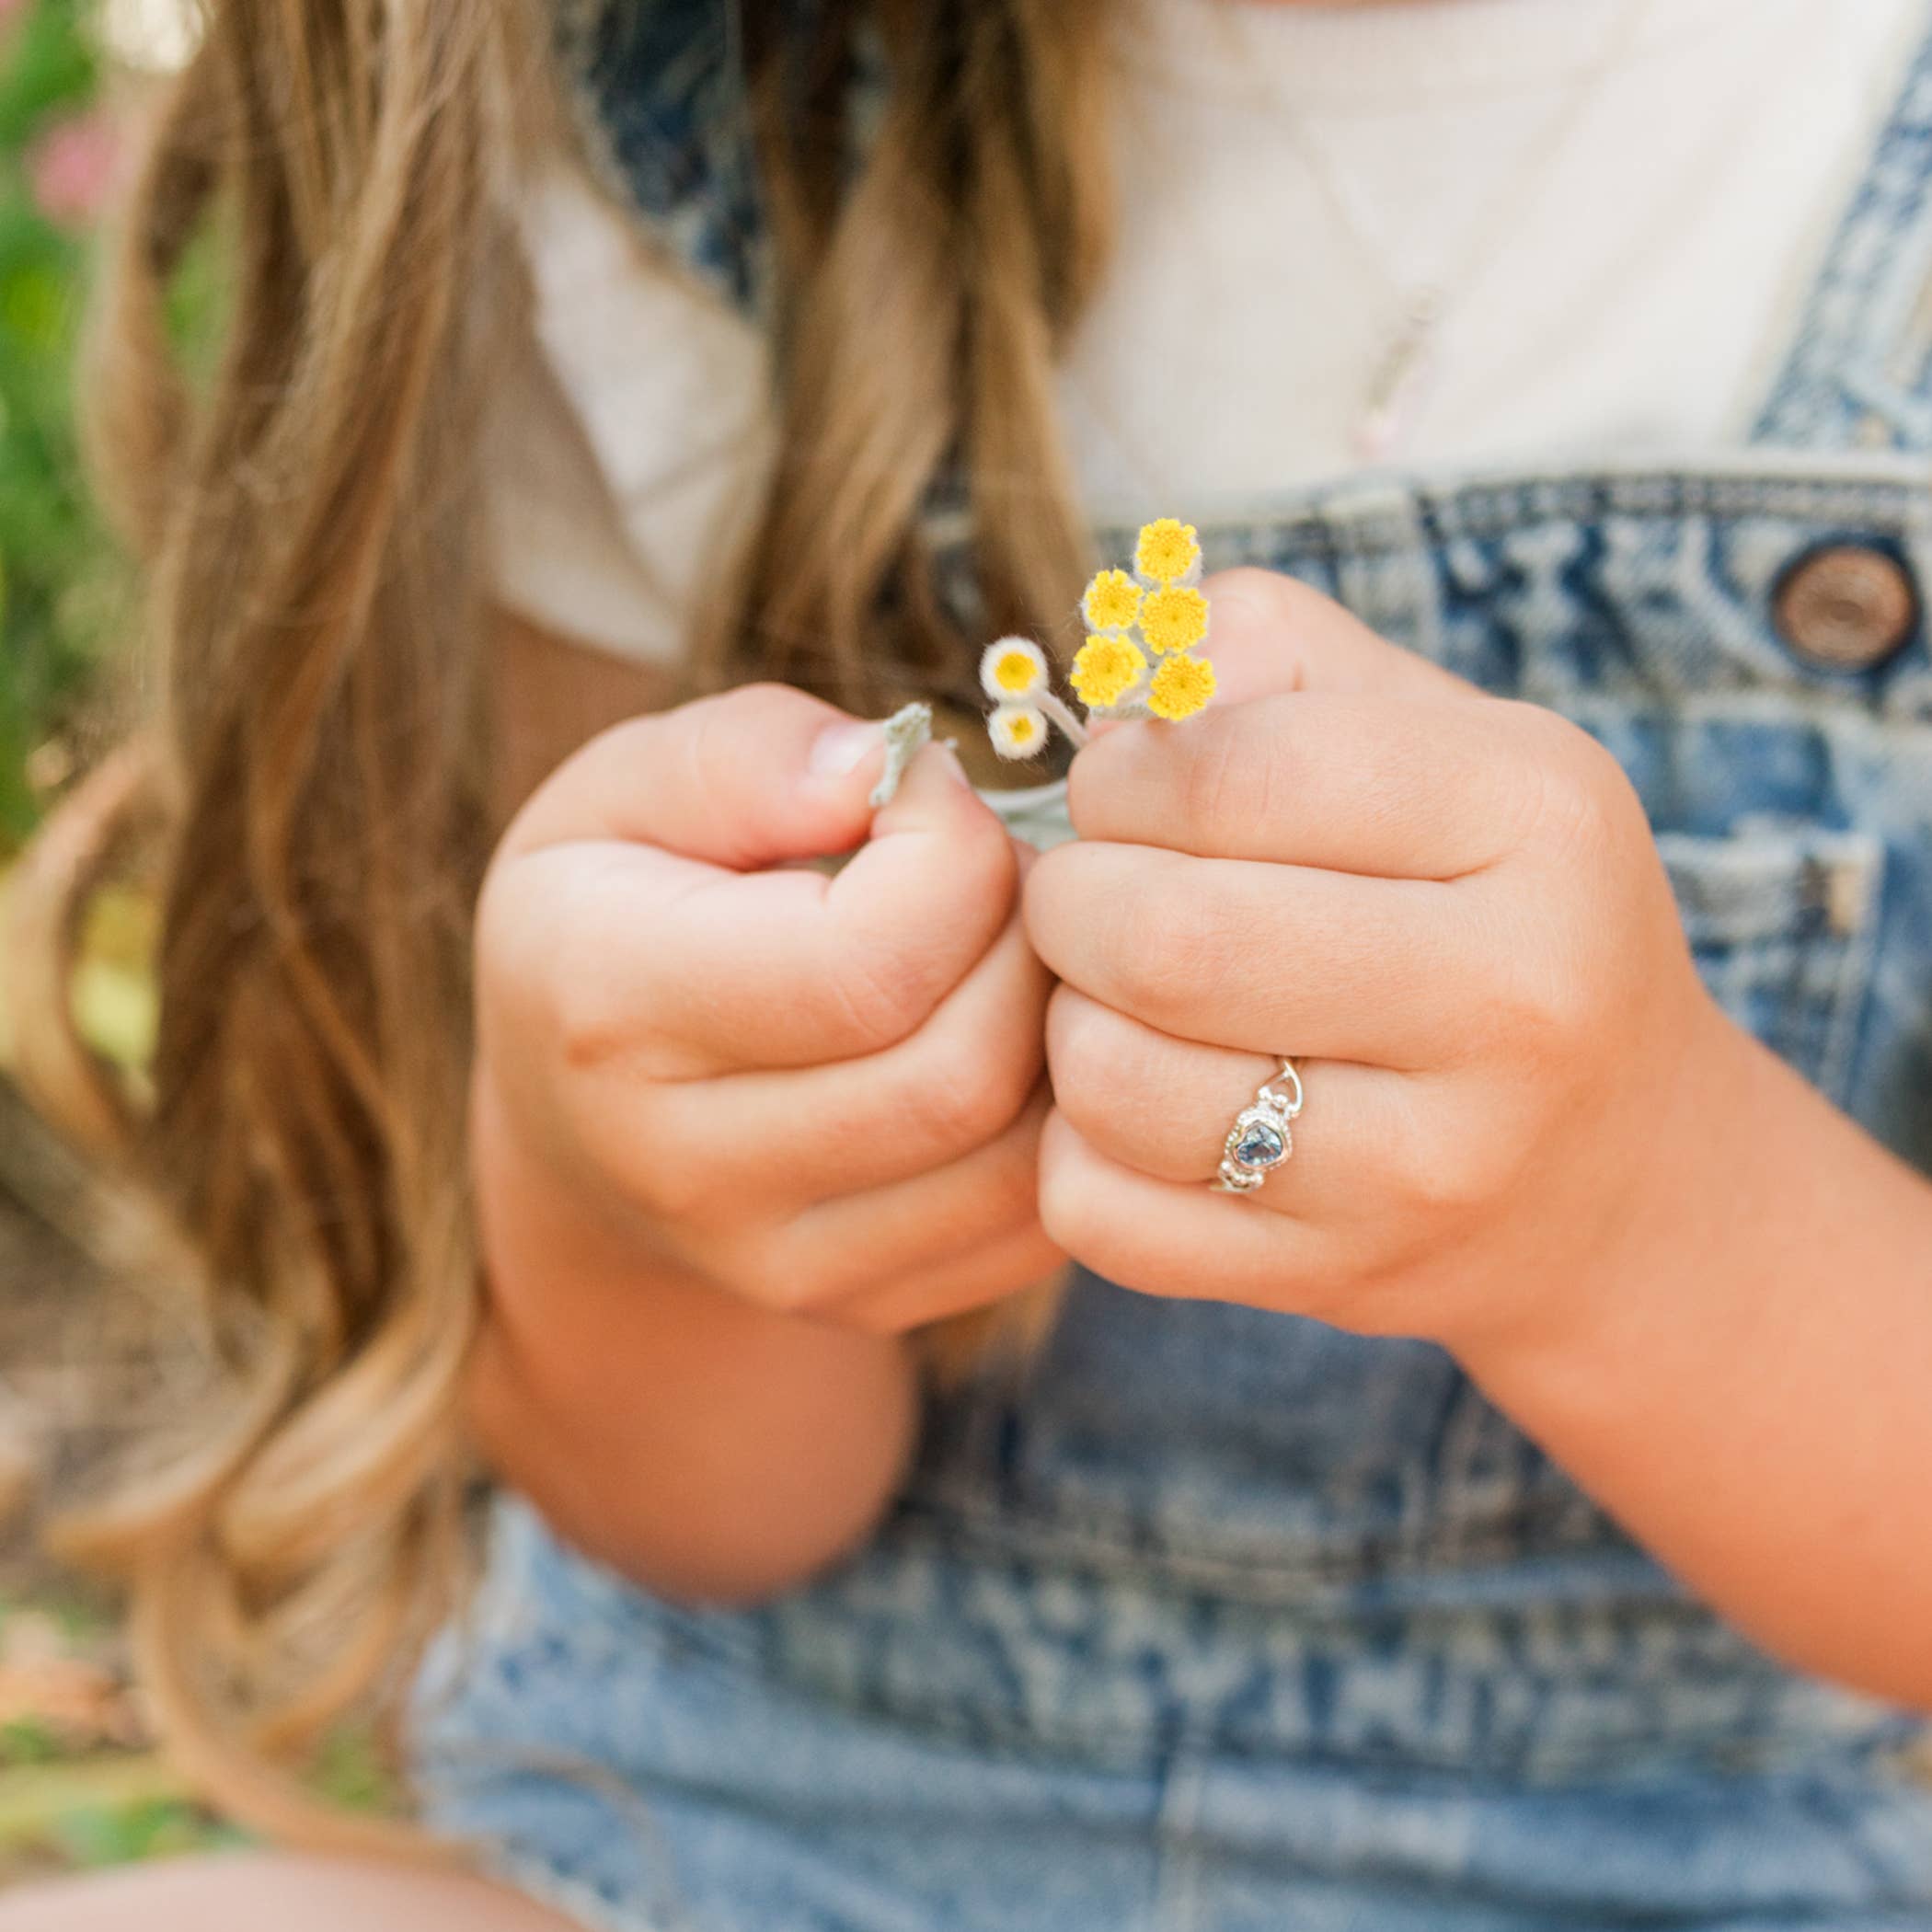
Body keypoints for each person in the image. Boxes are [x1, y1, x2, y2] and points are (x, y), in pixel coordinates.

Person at [9, 0, 1932, 1925]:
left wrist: (1641, 1206)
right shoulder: (658, 124)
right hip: (751, 1832)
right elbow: (705, 1517)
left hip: (1685, 1863)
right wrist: (616, 1190)